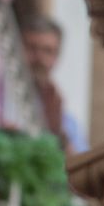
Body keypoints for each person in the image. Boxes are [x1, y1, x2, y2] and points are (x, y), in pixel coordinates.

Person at [21, 15, 87, 152]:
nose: (39, 58)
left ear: (57, 57)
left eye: (47, 51)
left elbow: (80, 165)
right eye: (32, 48)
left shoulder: (68, 122)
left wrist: (57, 129)